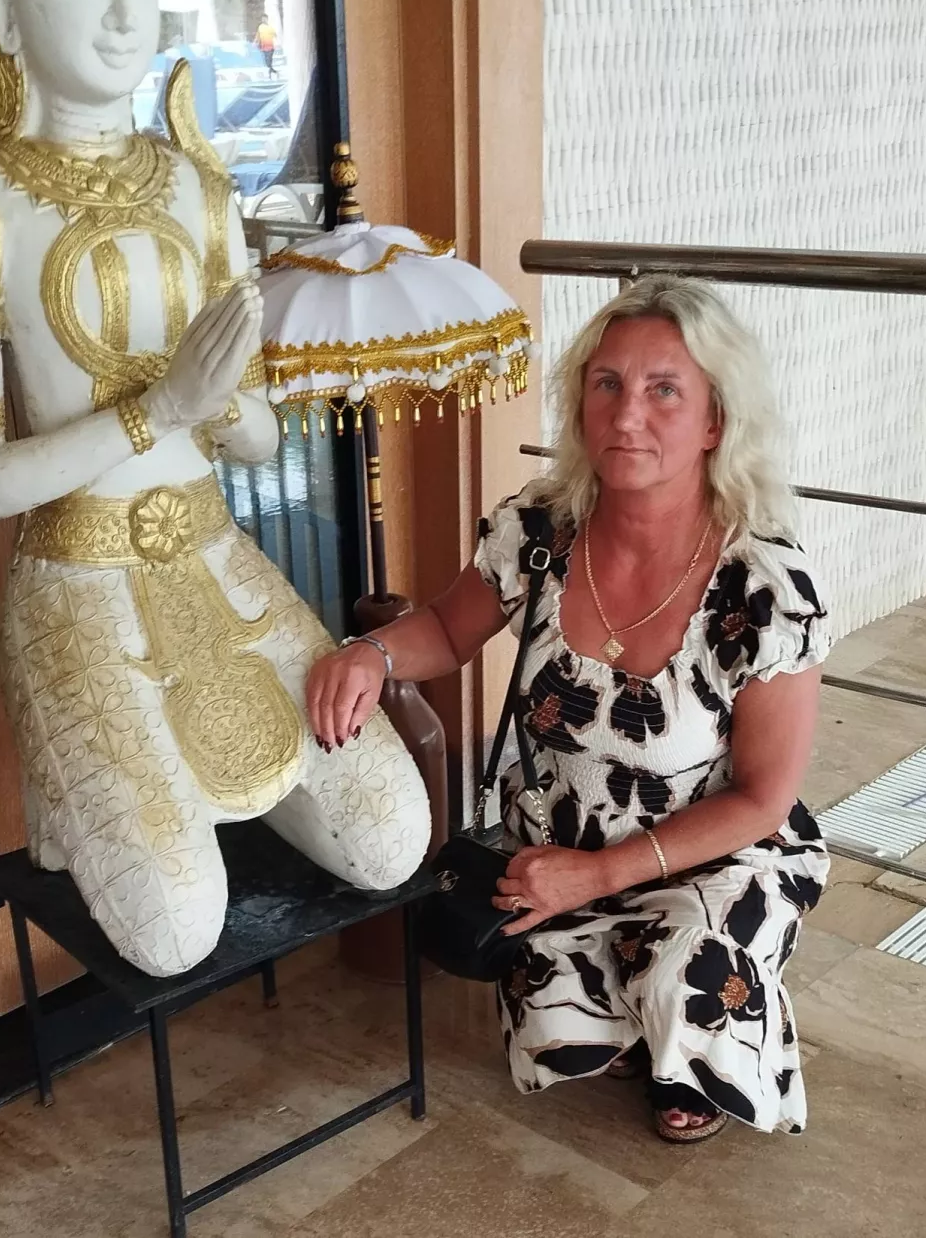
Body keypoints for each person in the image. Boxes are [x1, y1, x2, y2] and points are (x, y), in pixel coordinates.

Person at [306, 274, 830, 1144]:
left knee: (694, 980)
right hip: (559, 838)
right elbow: (448, 627)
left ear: (714, 421)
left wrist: (600, 877)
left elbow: (763, 799)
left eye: (664, 390)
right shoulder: (542, 526)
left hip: (711, 852)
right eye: (607, 383)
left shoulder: (767, 584)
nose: (628, 415)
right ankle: (624, 1013)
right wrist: (375, 652)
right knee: (556, 1019)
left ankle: (686, 1021)